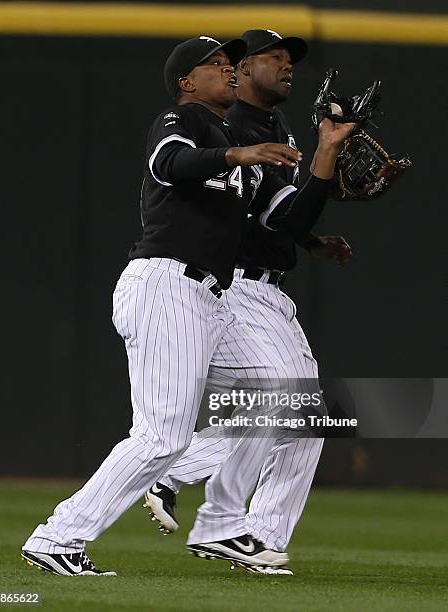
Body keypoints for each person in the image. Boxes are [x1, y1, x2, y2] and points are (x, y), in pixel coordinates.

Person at [20, 35, 311, 577]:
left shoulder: (229, 134)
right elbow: (168, 163)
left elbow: (277, 220)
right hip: (167, 285)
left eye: (230, 65)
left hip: (210, 298)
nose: (227, 72)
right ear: (186, 81)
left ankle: (222, 525)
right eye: (215, 65)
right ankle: (58, 536)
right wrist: (235, 153)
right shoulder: (183, 121)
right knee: (161, 434)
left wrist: (322, 177)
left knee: (286, 397)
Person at [143, 29, 354, 574]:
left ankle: (258, 537)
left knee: (309, 420)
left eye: (290, 60)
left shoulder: (272, 125)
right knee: (292, 403)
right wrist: (322, 162)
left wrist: (310, 229)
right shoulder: (226, 124)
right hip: (233, 284)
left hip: (265, 286)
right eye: (274, 58)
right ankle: (180, 474)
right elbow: (239, 206)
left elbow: (280, 215)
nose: (286, 67)